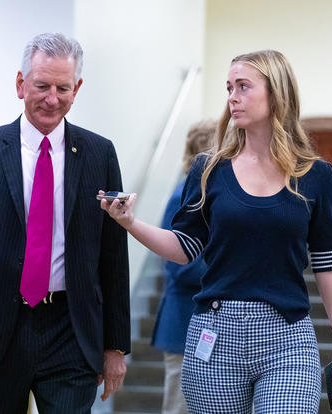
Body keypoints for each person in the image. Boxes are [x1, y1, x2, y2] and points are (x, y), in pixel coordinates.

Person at [101, 49, 332, 413]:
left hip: (287, 337)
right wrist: (130, 223)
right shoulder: (209, 169)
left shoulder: (315, 176)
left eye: (243, 87)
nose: (232, 98)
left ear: (276, 93)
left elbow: (330, 263)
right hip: (216, 336)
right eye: (228, 88)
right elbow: (185, 247)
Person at [0, 32, 130, 413]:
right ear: (20, 84)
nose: (52, 98)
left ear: (77, 88)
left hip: (71, 328)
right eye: (42, 85)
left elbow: (114, 257)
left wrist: (116, 346)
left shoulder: (100, 153)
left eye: (63, 88)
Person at [152, 120, 214, 414]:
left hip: (207, 326)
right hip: (185, 327)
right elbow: (181, 264)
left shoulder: (211, 194)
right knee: (179, 408)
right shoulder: (182, 195)